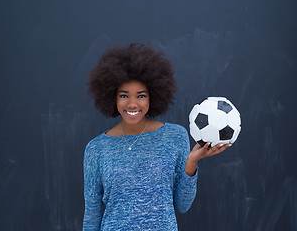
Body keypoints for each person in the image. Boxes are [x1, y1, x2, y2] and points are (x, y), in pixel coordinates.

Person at [83, 43, 231, 230]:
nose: (132, 104)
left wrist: (191, 164)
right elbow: (92, 214)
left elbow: (182, 206)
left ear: (153, 96)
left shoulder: (175, 136)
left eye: (141, 96)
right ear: (112, 97)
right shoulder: (96, 149)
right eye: (123, 95)